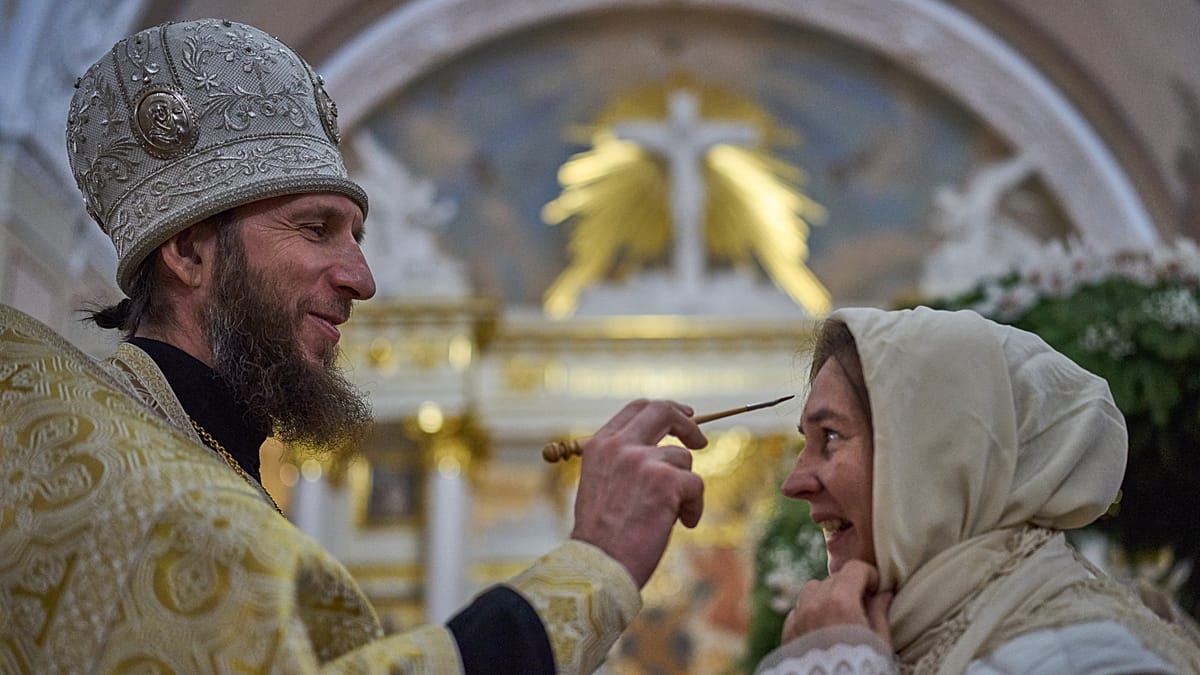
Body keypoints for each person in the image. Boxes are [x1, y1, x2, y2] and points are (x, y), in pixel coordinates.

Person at [0, 18, 706, 674]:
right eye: (316, 229)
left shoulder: (204, 460)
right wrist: (595, 563)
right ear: (188, 249)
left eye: (358, 238)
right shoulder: (121, 482)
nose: (362, 279)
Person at [755, 307, 1200, 674]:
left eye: (830, 437)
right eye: (804, 443)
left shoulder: (1088, 656)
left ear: (940, 453)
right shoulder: (901, 636)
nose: (795, 483)